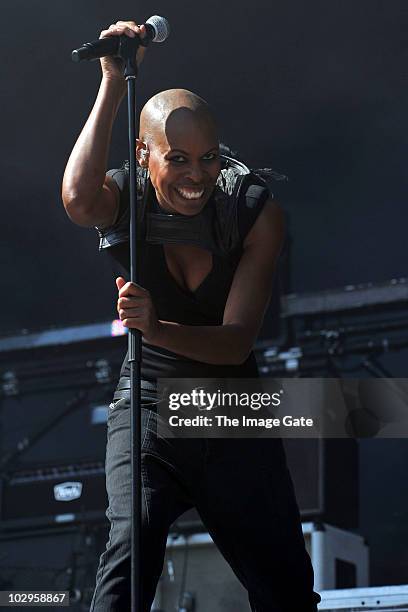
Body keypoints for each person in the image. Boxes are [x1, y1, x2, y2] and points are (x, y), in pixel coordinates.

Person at [62, 19, 321, 612]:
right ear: (143, 153)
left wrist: (156, 327)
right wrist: (112, 81)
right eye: (177, 159)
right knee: (129, 556)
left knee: (284, 588)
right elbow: (77, 199)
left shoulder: (254, 211)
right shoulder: (124, 198)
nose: (196, 176)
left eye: (208, 158)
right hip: (149, 404)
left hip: (230, 409)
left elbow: (233, 346)